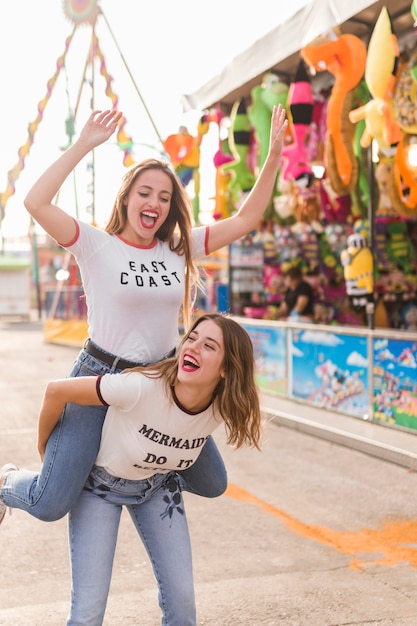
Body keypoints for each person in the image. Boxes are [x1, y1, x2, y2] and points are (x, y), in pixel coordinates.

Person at [0, 104, 287, 523]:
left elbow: (247, 218)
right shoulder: (95, 243)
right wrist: (84, 144)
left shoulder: (178, 246)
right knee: (50, 503)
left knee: (211, 481)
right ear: (128, 198)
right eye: (145, 193)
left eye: (165, 197)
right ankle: (7, 481)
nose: (154, 202)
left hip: (161, 380)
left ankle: (136, 476)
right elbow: (35, 201)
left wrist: (274, 152)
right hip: (101, 375)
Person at [1, 314, 262, 625]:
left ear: (225, 370)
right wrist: (46, 451)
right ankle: (5, 482)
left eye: (209, 346)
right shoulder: (140, 387)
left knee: (182, 606)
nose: (193, 347)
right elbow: (57, 390)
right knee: (87, 613)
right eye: (191, 338)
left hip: (158, 489)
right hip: (99, 490)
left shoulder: (221, 406)